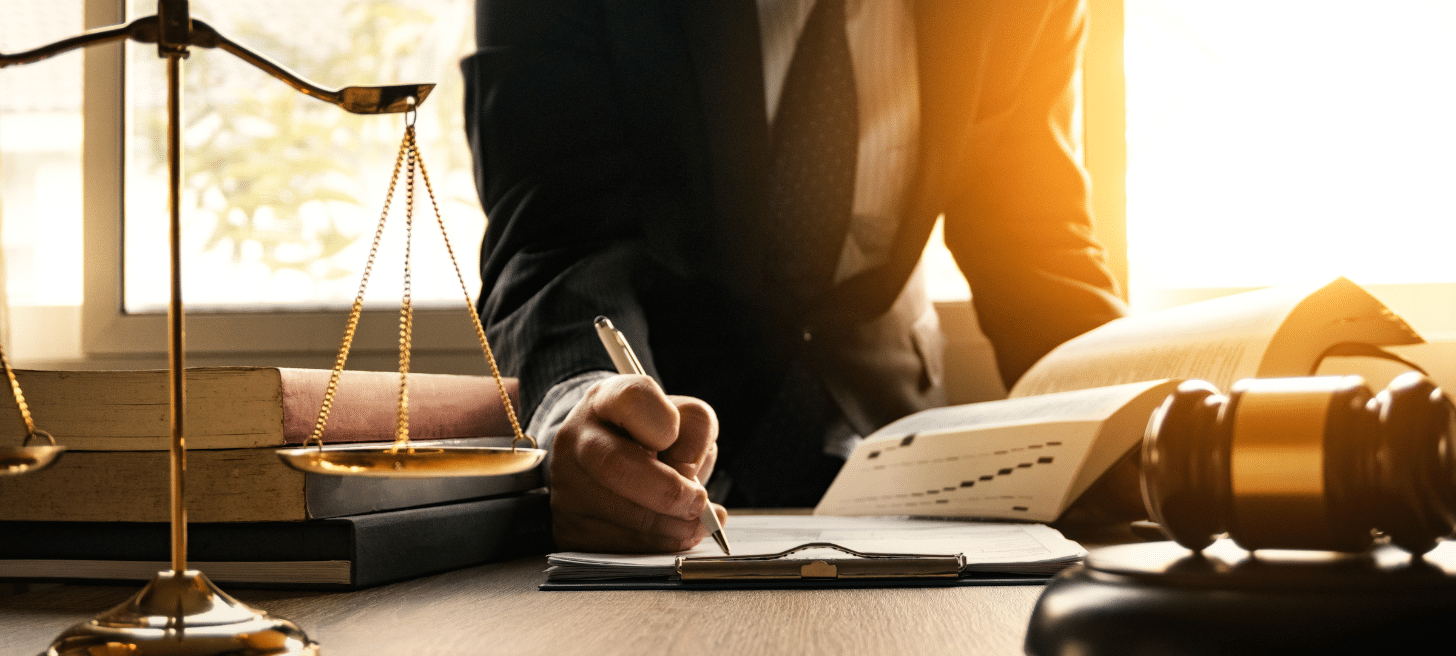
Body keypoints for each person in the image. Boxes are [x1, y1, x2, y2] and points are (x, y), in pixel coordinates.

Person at [462, 0, 1127, 553]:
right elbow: (556, 239)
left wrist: (1143, 421)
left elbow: (1038, 255)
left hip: (903, 455)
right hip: (670, 456)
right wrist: (586, 404)